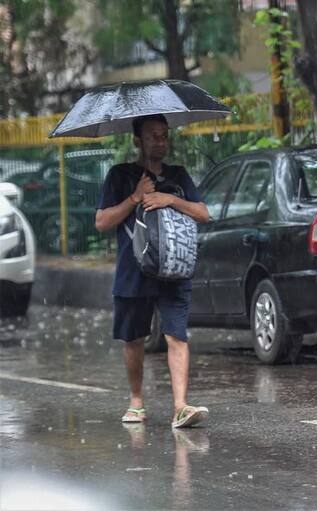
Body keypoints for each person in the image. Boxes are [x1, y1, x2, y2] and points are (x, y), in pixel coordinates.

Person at [95, 114, 211, 428]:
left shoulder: (179, 176)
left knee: (177, 335)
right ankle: (136, 402)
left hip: (174, 269)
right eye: (152, 136)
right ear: (137, 140)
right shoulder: (120, 175)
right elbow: (103, 222)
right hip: (134, 271)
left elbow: (203, 213)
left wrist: (170, 198)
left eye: (163, 135)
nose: (160, 141)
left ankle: (180, 406)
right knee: (134, 338)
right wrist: (135, 196)